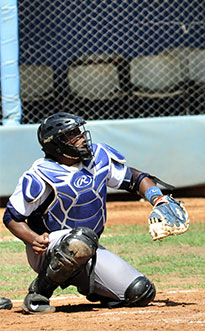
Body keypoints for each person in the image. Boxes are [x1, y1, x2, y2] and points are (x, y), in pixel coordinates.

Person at [2, 112, 175, 314]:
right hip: (47, 249)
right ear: (57, 144)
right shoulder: (40, 174)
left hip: (88, 248)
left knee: (141, 292)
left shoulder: (97, 158)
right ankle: (37, 294)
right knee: (80, 240)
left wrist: (158, 198)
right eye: (72, 134)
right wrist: (33, 239)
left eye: (79, 131)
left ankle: (95, 288)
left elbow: (135, 179)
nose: (82, 137)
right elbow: (12, 217)